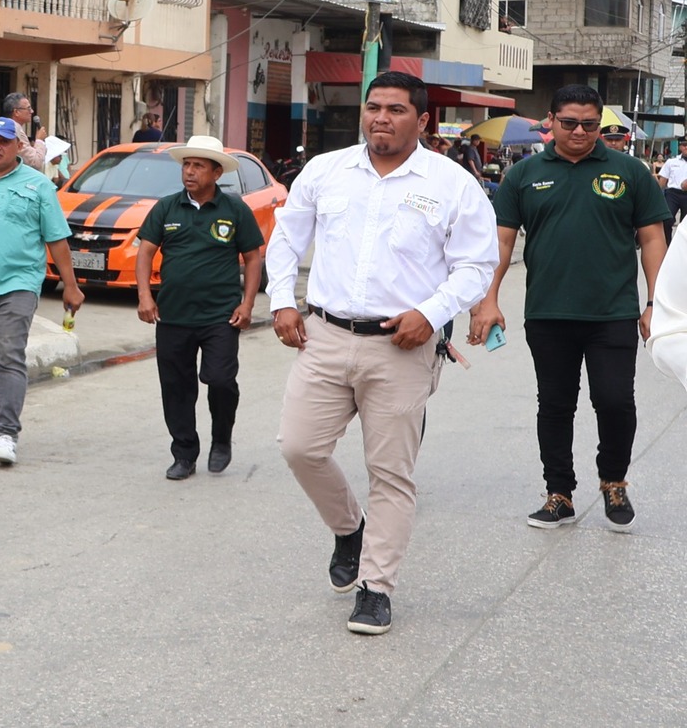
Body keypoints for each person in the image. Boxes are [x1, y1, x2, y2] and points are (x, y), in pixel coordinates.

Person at [266, 71, 497, 636]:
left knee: (390, 473)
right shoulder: (326, 170)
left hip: (402, 345)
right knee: (299, 447)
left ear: (422, 120)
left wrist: (432, 313)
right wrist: (282, 301)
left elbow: (476, 265)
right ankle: (350, 529)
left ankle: (376, 588)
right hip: (324, 335)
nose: (381, 119)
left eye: (396, 110)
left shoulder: (453, 183)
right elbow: (287, 237)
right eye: (374, 107)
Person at [470, 86, 668, 532]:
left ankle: (613, 481)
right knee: (556, 405)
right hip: (548, 312)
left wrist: (655, 303)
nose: (580, 132)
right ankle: (559, 493)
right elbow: (502, 241)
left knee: (615, 401)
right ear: (551, 121)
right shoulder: (524, 174)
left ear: (600, 124)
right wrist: (489, 299)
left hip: (613, 312)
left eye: (590, 124)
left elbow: (652, 237)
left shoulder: (629, 171)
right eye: (570, 123)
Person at [135, 135, 264, 480]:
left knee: (220, 380)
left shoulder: (234, 209)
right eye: (187, 165)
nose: (190, 172)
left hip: (220, 316)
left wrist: (247, 303)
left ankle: (221, 439)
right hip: (173, 316)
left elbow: (252, 258)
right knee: (176, 388)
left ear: (216, 173)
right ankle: (184, 454)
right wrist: (145, 295)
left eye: (198, 166)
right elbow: (145, 252)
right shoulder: (166, 208)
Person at [0, 116, 85, 467]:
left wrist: (70, 285)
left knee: (8, 354)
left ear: (19, 146)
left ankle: (7, 434)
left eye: (4, 141)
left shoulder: (38, 185)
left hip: (19, 282)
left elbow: (56, 239)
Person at [1, 92, 47, 173]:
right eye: (28, 108)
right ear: (16, 112)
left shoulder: (7, 126)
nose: (32, 111)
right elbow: (35, 162)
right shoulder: (15, 130)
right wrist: (39, 140)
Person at [659, 143, 687, 238]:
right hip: (672, 194)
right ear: (680, 147)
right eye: (684, 145)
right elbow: (662, 181)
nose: (686, 147)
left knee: (685, 225)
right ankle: (667, 244)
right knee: (667, 219)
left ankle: (682, 245)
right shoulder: (671, 162)